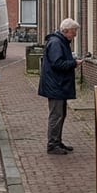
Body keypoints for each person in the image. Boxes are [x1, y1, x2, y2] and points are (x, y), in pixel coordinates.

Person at [38, 18, 81, 155]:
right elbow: (57, 63)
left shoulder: (60, 42)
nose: (74, 36)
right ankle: (52, 144)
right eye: (73, 32)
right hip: (56, 85)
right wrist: (74, 63)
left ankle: (57, 141)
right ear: (66, 31)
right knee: (56, 115)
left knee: (61, 115)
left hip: (58, 85)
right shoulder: (56, 43)